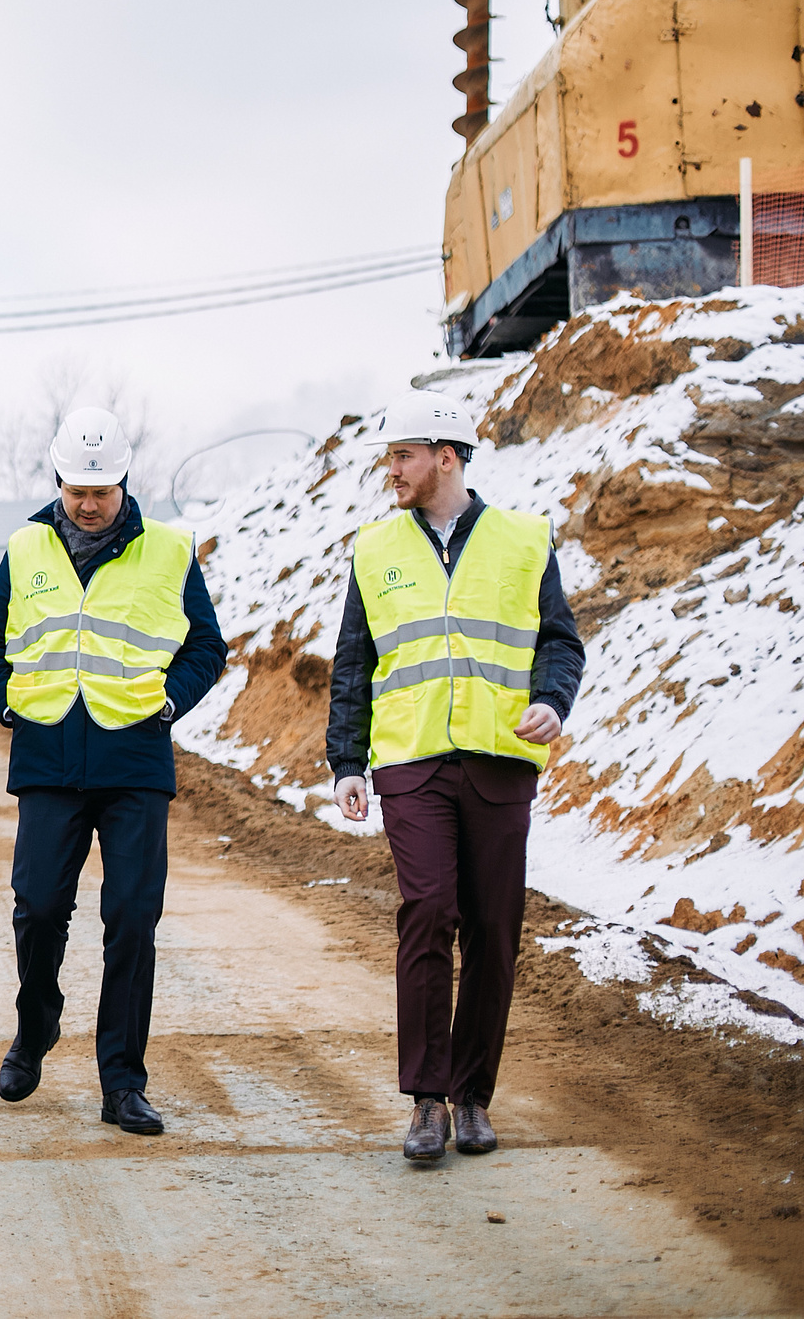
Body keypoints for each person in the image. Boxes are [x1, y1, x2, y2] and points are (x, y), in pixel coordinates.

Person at [327, 390, 583, 1163]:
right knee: (428, 910)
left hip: (500, 757)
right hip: (410, 762)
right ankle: (426, 1100)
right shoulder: (374, 550)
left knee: (495, 928)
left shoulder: (523, 539)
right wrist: (347, 759)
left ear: (446, 454)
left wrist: (551, 700)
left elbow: (560, 642)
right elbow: (355, 662)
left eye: (401, 455)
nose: (390, 471)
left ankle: (474, 1096)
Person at [0, 408, 227, 1137]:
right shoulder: (25, 546)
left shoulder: (170, 550)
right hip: (49, 755)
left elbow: (208, 645)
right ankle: (36, 1026)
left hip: (134, 759)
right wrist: (9, 698)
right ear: (57, 481)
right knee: (39, 907)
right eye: (78, 489)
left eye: (102, 490)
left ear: (123, 482)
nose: (89, 502)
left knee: (132, 918)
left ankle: (122, 1079)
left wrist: (171, 698)